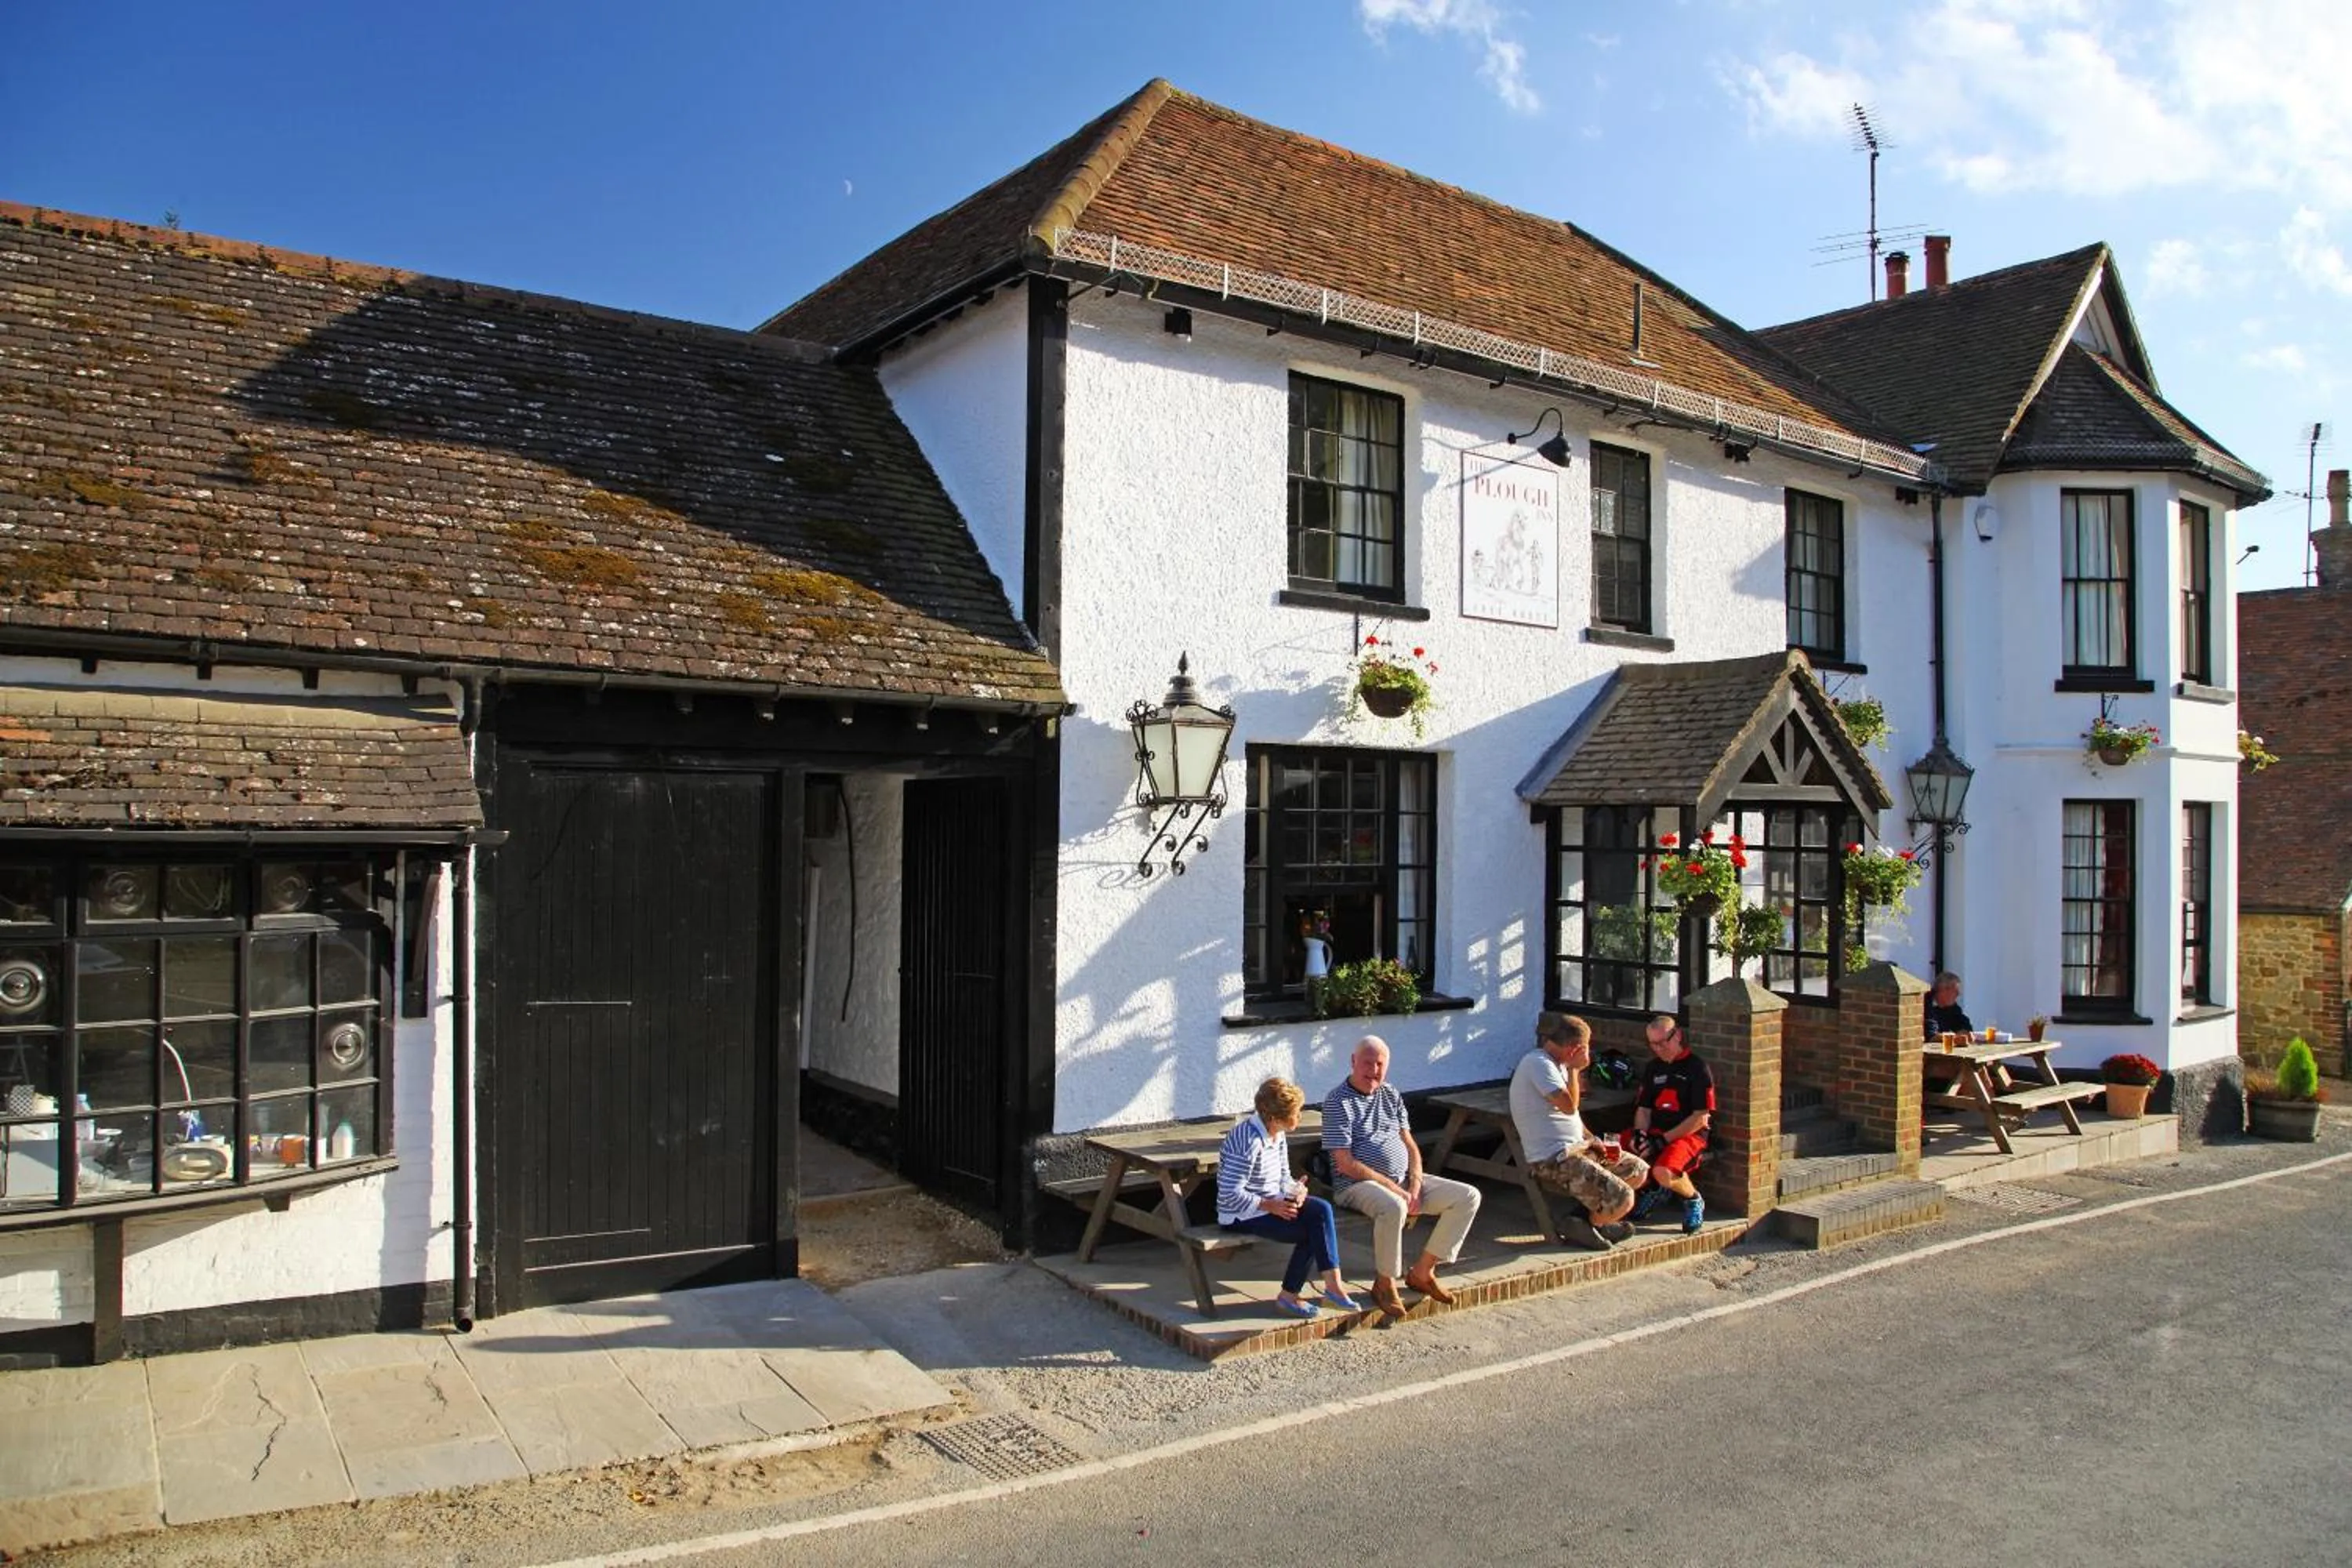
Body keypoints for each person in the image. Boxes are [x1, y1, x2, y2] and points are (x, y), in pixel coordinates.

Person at [1322, 1036, 1483, 1318]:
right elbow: (1345, 1163)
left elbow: (1409, 1144)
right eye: (1367, 1063)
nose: (1373, 1070)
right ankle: (1385, 1283)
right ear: (1353, 1062)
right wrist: (1397, 1191)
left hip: (1402, 1181)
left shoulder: (1390, 1093)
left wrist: (1416, 1184)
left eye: (1380, 1064)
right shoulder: (1338, 1101)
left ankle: (1423, 1271)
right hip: (1356, 1185)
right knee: (1393, 1206)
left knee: (1468, 1196)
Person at [1218, 1077, 1359, 1319]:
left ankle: (1332, 1287)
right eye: (1296, 1113)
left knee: (1321, 1209)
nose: (1300, 1117)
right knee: (1312, 1232)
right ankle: (1291, 1296)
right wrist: (1268, 1205)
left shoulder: (1277, 1134)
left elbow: (1282, 1175)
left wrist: (1296, 1189)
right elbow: (1229, 1193)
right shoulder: (1248, 1141)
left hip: (1272, 1203)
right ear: (1275, 1118)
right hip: (1242, 1214)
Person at [1508, 1011, 1651, 1251]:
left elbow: (1571, 1115)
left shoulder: (1559, 1065)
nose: (1588, 1055)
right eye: (1585, 1048)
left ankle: (1585, 1223)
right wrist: (1575, 1071)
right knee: (1624, 1198)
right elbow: (1569, 1106)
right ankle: (1590, 1225)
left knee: (1638, 1170)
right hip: (1554, 1158)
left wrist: (1592, 1138)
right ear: (1574, 1049)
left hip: (1579, 1148)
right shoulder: (1538, 1064)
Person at [1627, 1014, 1713, 1234]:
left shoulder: (1697, 1068)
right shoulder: (1653, 1068)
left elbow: (1700, 1117)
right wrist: (1640, 1134)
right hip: (1655, 1130)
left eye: (1662, 1042)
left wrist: (1662, 1141)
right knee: (1612, 1151)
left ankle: (1693, 1199)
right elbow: (1644, 1109)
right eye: (1653, 1044)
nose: (1658, 1048)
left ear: (1678, 1036)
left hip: (1689, 1134)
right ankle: (1651, 1190)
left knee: (1663, 1170)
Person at [1923, 972, 1972, 1040]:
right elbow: (1931, 1036)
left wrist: (1964, 1031)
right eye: (1956, 991)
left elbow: (1963, 1022)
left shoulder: (1951, 1007)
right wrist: (1955, 1038)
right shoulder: (1926, 1004)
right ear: (1944, 990)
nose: (1958, 994)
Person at [1301, 913, 1333, 1014]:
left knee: (1316, 978)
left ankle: (1317, 999)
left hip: (1318, 969)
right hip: (1319, 969)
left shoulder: (1319, 936)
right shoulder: (1315, 935)